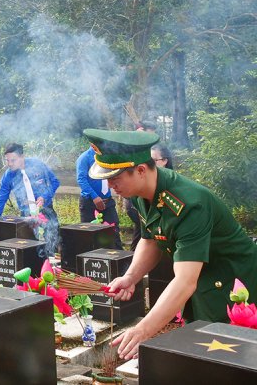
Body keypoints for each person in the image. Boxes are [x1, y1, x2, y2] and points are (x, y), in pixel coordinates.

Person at [83, 128, 257, 360]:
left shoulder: (190, 203)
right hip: (199, 274)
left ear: (141, 170)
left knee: (229, 356)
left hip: (229, 281)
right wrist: (131, 277)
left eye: (115, 178)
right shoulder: (140, 193)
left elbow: (185, 281)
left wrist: (144, 329)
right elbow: (151, 239)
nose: (111, 185)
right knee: (197, 345)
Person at [0, 143, 61, 256]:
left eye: (13, 160)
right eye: (7, 160)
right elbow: (1, 199)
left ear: (22, 157)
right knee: (30, 247)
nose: (9, 164)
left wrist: (44, 197)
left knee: (53, 241)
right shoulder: (8, 176)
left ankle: (53, 265)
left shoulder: (37, 165)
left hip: (46, 210)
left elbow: (55, 182)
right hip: (26, 214)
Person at [130, 143, 174, 251]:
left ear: (165, 161)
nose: (148, 165)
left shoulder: (172, 185)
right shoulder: (140, 189)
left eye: (153, 161)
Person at [76, 145, 122, 249]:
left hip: (108, 202)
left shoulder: (107, 156)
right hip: (89, 203)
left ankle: (118, 260)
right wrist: (95, 197)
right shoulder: (84, 158)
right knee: (89, 234)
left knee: (113, 231)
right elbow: (81, 180)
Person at [126, 121, 159, 250]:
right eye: (151, 132)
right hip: (135, 197)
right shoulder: (133, 147)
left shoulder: (148, 148)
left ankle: (133, 257)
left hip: (145, 195)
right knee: (143, 230)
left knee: (141, 231)